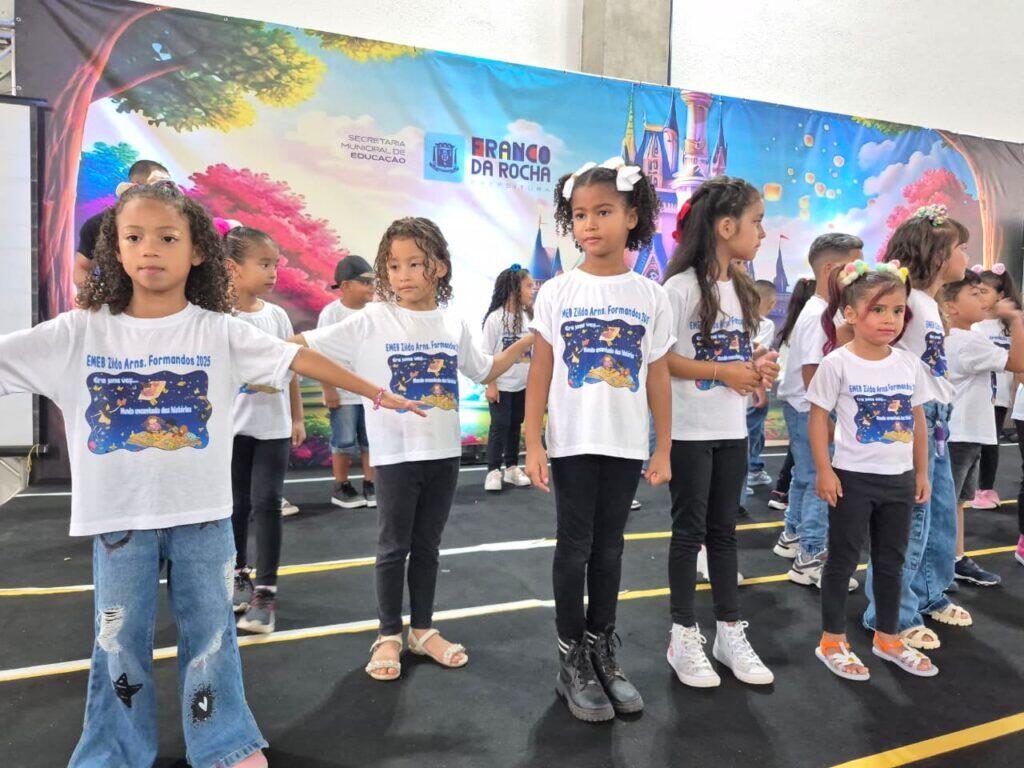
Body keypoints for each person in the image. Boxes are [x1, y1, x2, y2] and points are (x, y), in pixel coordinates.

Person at [0, 181, 421, 768]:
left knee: (212, 635)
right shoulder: (80, 331)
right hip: (119, 521)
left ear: (198, 250)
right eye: (133, 237)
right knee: (117, 642)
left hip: (203, 516)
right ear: (115, 249)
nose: (149, 248)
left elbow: (294, 358)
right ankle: (113, 750)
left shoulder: (217, 329)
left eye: (167, 237)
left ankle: (223, 742)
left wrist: (376, 391)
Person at [295, 217, 534, 683]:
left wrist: (529, 339)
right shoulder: (372, 319)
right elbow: (300, 347)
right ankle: (388, 634)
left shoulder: (451, 322)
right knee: (392, 548)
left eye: (414, 264)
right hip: (394, 457)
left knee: (428, 547)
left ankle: (422, 630)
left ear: (439, 267)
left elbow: (485, 370)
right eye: (393, 265)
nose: (402, 275)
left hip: (443, 455)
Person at [523, 157, 673, 722]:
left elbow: (658, 375)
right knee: (574, 548)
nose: (590, 224)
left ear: (632, 216)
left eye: (604, 211)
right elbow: (541, 369)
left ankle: (602, 649)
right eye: (581, 214)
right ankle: (572, 659)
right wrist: (533, 441)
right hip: (571, 443)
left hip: (626, 443)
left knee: (610, 549)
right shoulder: (558, 292)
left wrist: (663, 445)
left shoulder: (651, 295)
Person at [661, 176, 780, 690]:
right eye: (757, 222)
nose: (762, 233)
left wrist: (757, 367)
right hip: (689, 430)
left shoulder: (742, 289)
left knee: (724, 533)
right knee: (689, 534)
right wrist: (723, 372)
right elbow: (663, 360)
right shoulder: (680, 288)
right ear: (725, 227)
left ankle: (729, 632)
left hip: (732, 429)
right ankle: (682, 634)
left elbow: (737, 355)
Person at [808, 260, 937, 679]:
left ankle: (888, 636)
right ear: (850, 313)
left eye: (897, 310)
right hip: (852, 479)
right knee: (842, 560)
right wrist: (825, 471)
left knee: (891, 561)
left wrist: (921, 472)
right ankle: (832, 640)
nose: (889, 319)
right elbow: (817, 419)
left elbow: (917, 421)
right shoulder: (837, 364)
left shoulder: (907, 363)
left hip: (899, 481)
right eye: (878, 310)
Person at [864, 203, 972, 650]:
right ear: (937, 254)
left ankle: (928, 592)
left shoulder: (926, 302)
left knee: (939, 512)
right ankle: (891, 611)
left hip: (937, 418)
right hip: (912, 418)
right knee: (910, 518)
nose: (967, 257)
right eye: (960, 248)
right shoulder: (904, 299)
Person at [225, 226, 306, 634]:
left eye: (275, 264)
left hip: (273, 429)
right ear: (232, 268)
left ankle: (266, 595)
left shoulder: (276, 317)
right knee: (236, 506)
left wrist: (297, 417)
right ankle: (239, 575)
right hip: (232, 431)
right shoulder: (218, 318)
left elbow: (292, 369)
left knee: (267, 503)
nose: (273, 272)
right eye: (263, 264)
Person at [775, 234, 863, 578]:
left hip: (803, 408)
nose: (859, 273)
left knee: (805, 475)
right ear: (830, 269)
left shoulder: (820, 310)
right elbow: (812, 369)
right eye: (853, 266)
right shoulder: (818, 314)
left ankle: (793, 535)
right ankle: (811, 557)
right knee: (819, 480)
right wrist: (822, 416)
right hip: (809, 408)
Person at [942, 270, 1023, 586]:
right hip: (960, 434)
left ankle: (955, 558)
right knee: (948, 503)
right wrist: (1016, 319)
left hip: (966, 432)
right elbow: (1019, 362)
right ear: (950, 306)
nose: (982, 300)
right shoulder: (966, 340)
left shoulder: (967, 336)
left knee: (956, 502)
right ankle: (941, 564)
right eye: (974, 294)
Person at [316, 255, 378, 508]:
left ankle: (371, 483)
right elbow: (319, 354)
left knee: (371, 439)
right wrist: (328, 388)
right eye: (365, 282)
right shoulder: (331, 314)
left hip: (371, 391)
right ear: (345, 286)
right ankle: (341, 486)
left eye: (373, 281)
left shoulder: (376, 312)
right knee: (343, 441)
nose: (372, 286)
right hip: (343, 392)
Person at [970, 264, 1022, 508]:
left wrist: (1014, 392)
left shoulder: (1009, 325)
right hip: (974, 392)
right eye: (976, 292)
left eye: (984, 291)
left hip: (998, 395)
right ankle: (969, 485)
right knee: (970, 442)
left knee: (991, 442)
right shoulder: (974, 324)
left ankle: (986, 489)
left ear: (1000, 295)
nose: (979, 296)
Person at [74, 159, 170, 288]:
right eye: (160, 185)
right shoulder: (98, 224)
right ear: (135, 187)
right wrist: (100, 293)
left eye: (169, 186)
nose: (166, 192)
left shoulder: (177, 223)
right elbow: (81, 268)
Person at [482, 264, 535, 491]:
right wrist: (491, 384)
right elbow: (486, 356)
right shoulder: (495, 319)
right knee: (500, 425)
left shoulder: (528, 318)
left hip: (522, 386)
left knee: (515, 425)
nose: (532, 291)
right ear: (514, 289)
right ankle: (493, 470)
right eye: (528, 286)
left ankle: (512, 467)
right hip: (501, 385)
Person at [768, 277, 817, 515]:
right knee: (808, 471)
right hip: (803, 403)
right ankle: (784, 497)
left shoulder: (793, 327)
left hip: (798, 402)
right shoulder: (810, 324)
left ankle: (783, 496)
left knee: (801, 464)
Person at [745, 279, 778, 489]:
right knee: (752, 432)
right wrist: (760, 391)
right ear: (772, 304)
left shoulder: (740, 321)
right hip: (753, 387)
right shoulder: (765, 324)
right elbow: (757, 357)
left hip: (738, 387)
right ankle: (749, 471)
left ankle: (753, 468)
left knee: (752, 431)